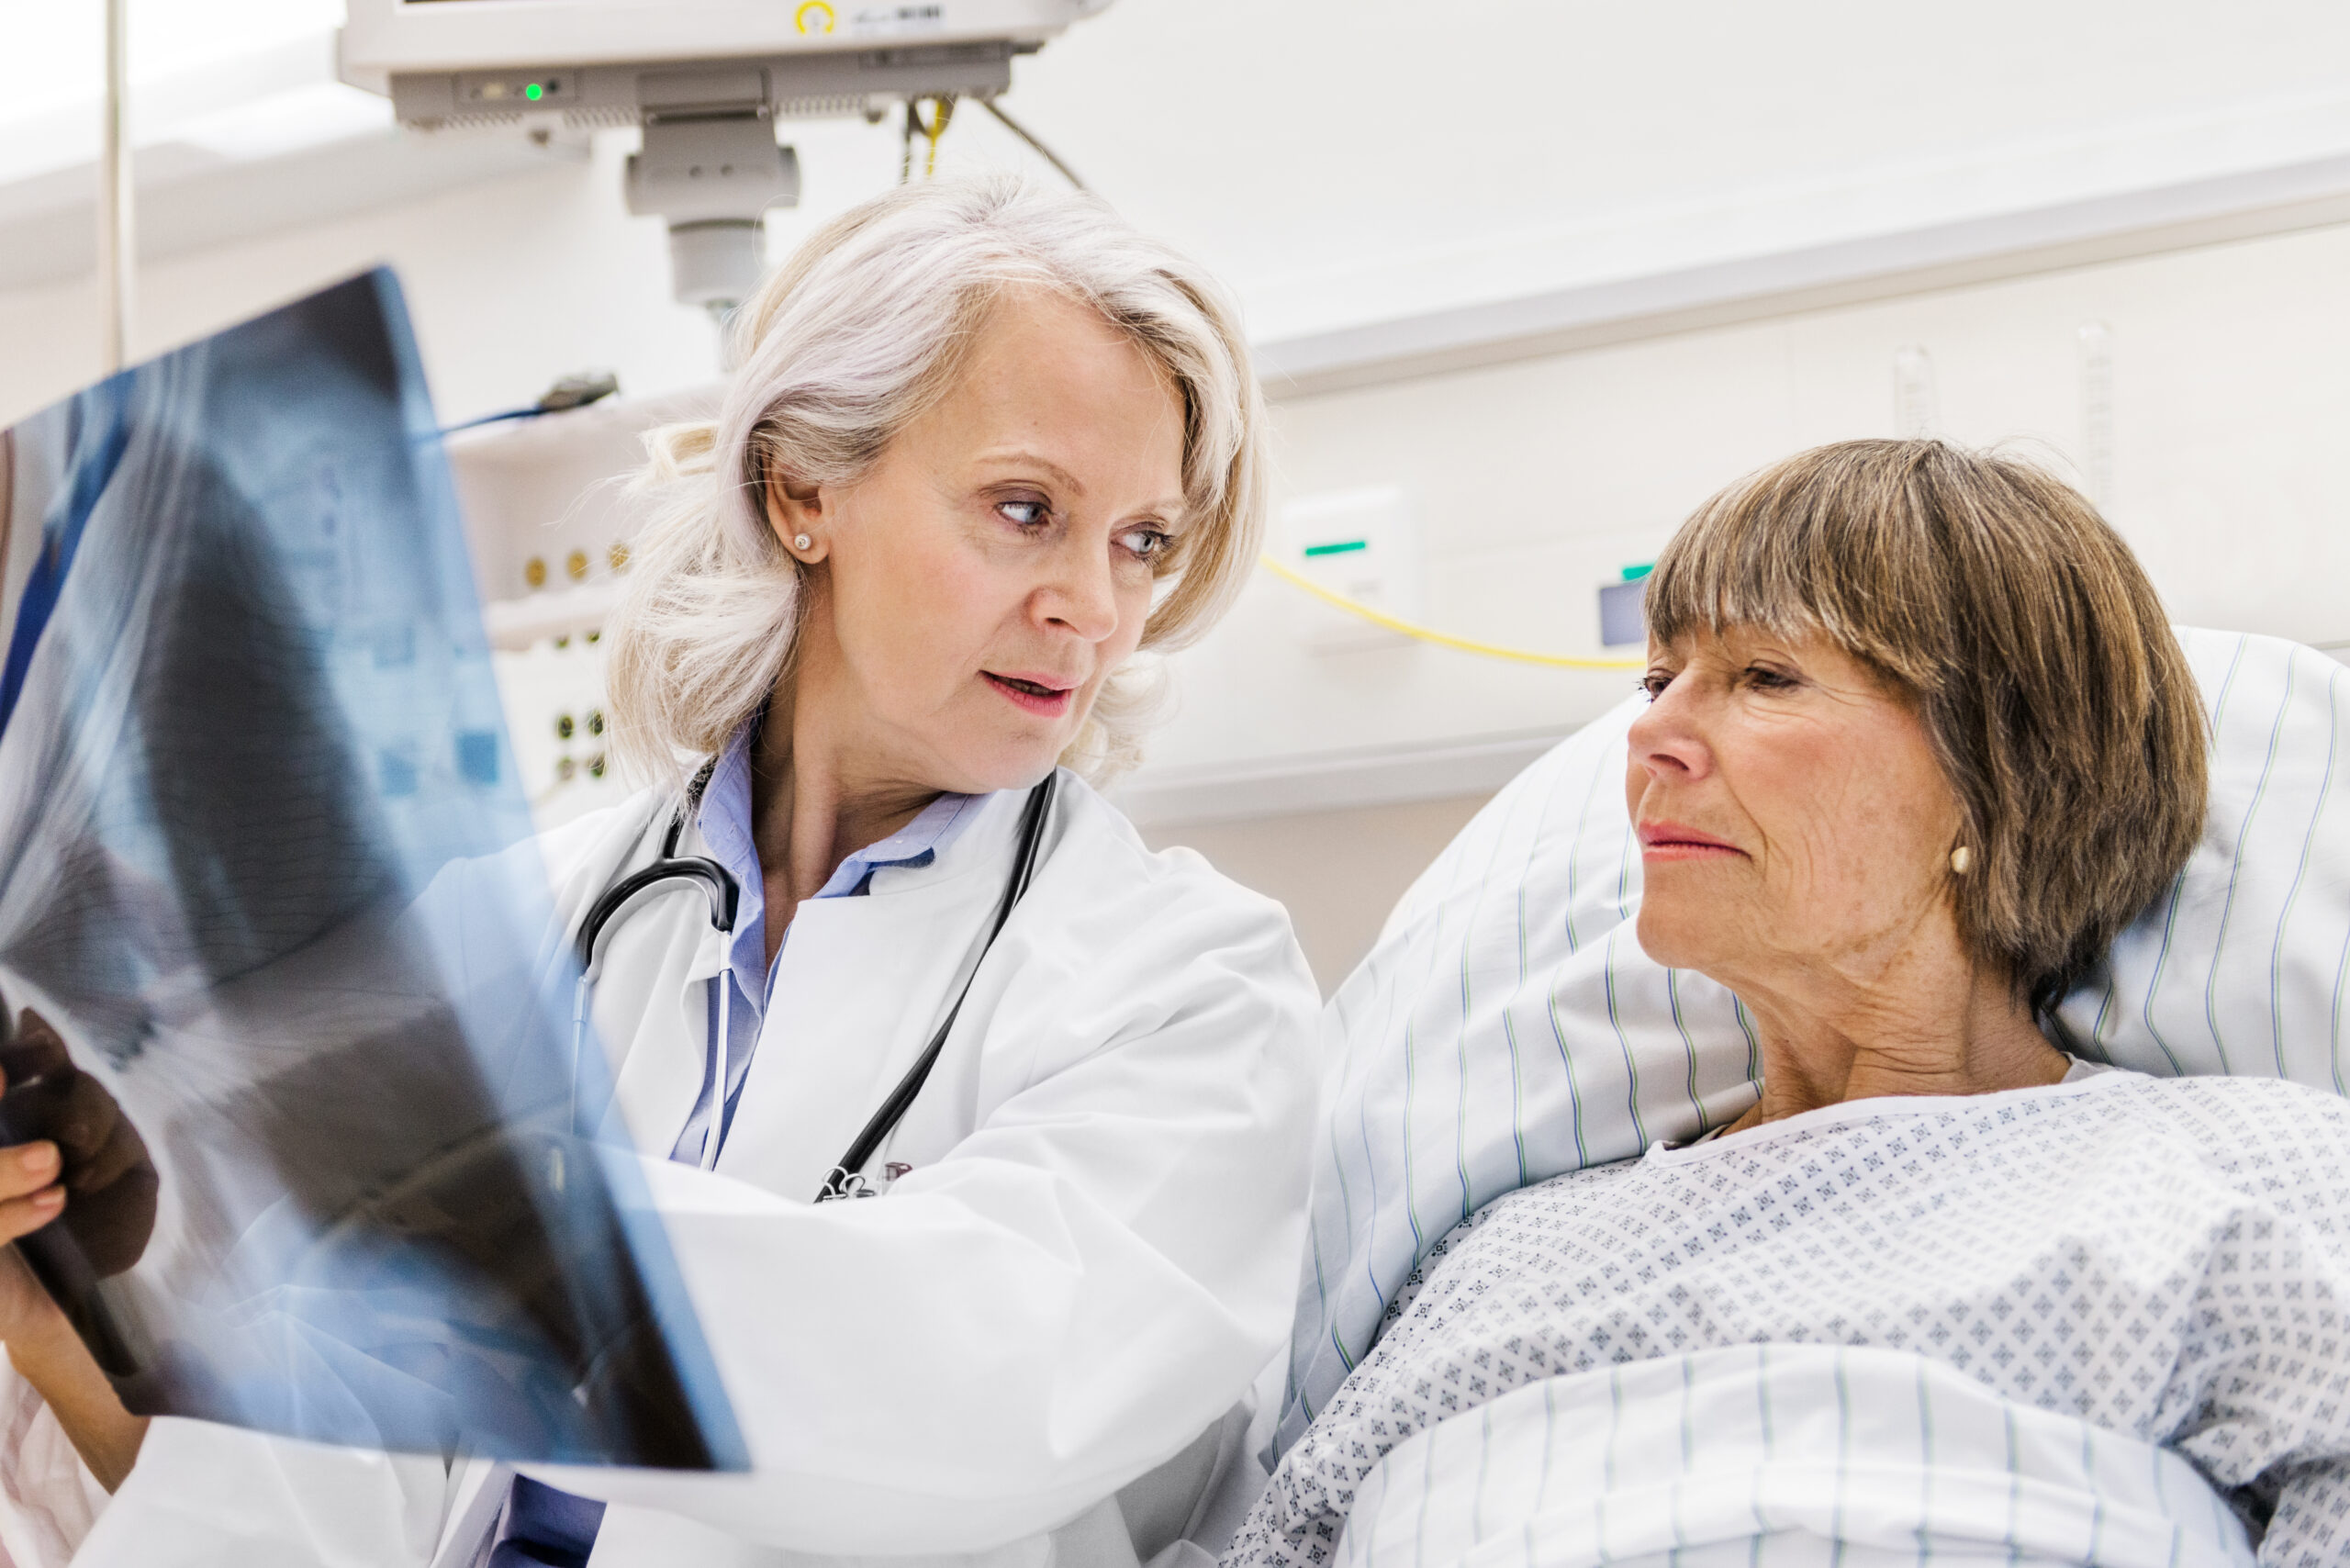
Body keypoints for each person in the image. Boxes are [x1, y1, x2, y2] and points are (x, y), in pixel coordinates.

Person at [0, 174, 1322, 1568]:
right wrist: (55, 1304)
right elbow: (319, 1491)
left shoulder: (1199, 991)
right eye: (1023, 509)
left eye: (1142, 541)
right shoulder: (499, 929)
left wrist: (466, 1210)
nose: (1093, 606)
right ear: (802, 487)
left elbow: (979, 1395)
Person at [1228, 441, 2350, 1566]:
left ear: (2000, 768)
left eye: (1764, 676)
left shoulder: (2249, 1181)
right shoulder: (1502, 1257)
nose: (1649, 734)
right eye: (1658, 678)